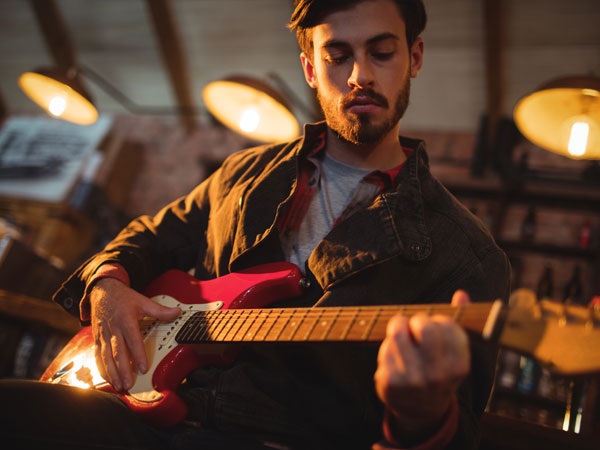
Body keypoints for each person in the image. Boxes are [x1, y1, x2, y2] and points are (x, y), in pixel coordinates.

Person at [0, 1, 510, 449]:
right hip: (138, 411)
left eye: (381, 52)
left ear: (414, 57)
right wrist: (108, 283)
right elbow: (153, 234)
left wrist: (420, 419)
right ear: (310, 68)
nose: (360, 76)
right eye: (337, 56)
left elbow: (460, 434)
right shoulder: (245, 171)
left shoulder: (469, 257)